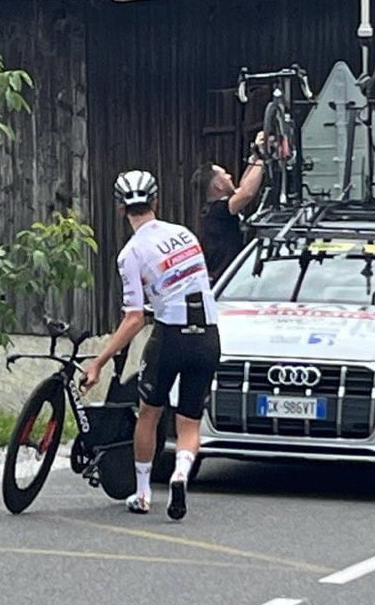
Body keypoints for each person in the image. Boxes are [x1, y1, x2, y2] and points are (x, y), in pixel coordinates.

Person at [80, 170, 220, 521]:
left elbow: (134, 318)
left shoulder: (131, 254)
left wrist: (99, 361)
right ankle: (180, 474)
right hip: (207, 336)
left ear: (119, 208)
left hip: (169, 336)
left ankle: (142, 492)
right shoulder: (184, 234)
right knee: (189, 424)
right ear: (155, 202)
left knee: (150, 413)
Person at [191, 134, 267, 282]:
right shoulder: (217, 211)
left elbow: (244, 186)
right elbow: (248, 192)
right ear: (218, 186)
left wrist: (254, 158)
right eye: (225, 175)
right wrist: (263, 158)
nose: (230, 176)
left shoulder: (216, 207)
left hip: (229, 275)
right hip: (224, 278)